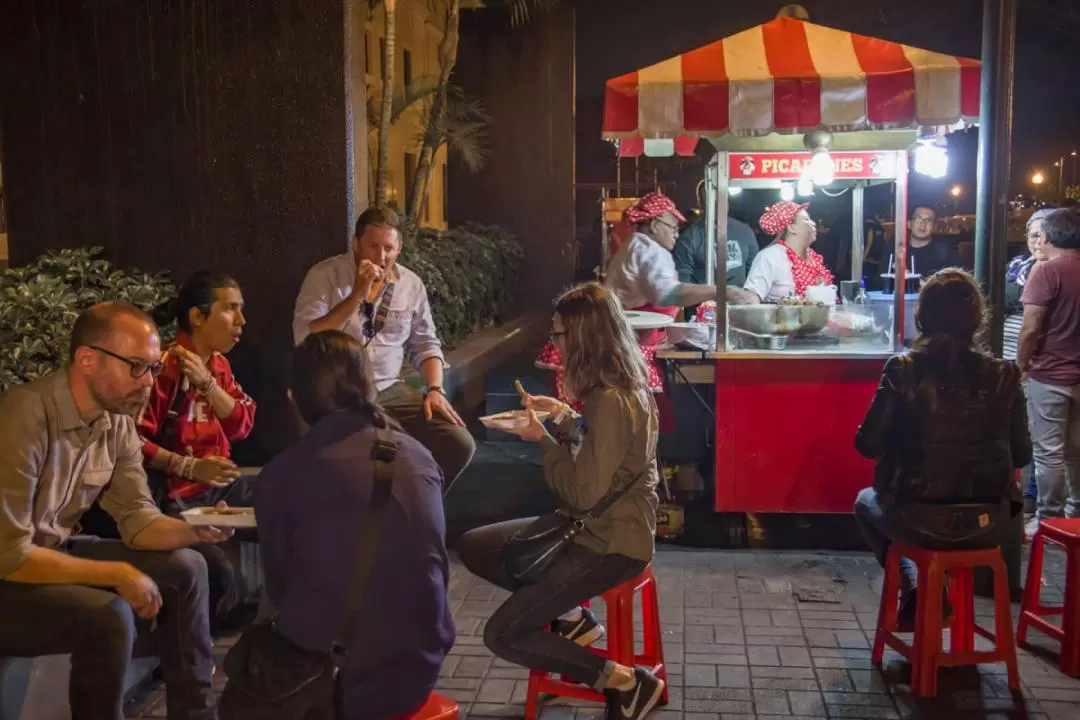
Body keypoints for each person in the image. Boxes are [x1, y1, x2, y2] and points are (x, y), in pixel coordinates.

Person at [0, 301, 230, 720]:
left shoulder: (116, 418)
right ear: (87, 360)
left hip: (51, 550)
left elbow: (138, 521)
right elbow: (10, 554)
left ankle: (196, 714)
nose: (149, 383)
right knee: (109, 616)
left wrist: (200, 527)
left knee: (188, 566)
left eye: (154, 368)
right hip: (9, 572)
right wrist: (117, 574)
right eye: (136, 367)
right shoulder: (26, 414)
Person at [460, 283, 665, 720]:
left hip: (609, 544)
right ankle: (571, 616)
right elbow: (606, 454)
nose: (553, 343)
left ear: (583, 338)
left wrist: (543, 441)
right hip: (594, 529)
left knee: (503, 634)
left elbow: (582, 492)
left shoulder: (610, 400)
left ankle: (625, 682)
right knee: (478, 544)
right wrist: (561, 415)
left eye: (558, 335)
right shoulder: (627, 385)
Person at [255, 330, 454, 719]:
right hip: (421, 665)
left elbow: (280, 590)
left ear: (294, 398)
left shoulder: (283, 474)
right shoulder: (418, 455)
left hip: (339, 684)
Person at [853, 269, 1031, 626]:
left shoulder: (903, 369)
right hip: (990, 520)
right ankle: (929, 592)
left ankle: (915, 586)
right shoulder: (1005, 375)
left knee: (863, 502)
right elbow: (1023, 455)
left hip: (914, 516)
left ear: (922, 317)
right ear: (978, 319)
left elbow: (867, 444)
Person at [292, 205, 475, 490]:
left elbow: (425, 342)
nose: (380, 257)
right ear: (356, 243)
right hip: (334, 393)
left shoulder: (410, 284)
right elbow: (305, 337)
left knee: (459, 443)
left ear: (399, 248)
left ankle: (416, 505)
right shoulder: (325, 275)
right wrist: (356, 295)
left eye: (388, 248)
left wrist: (435, 390)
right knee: (335, 464)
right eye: (372, 246)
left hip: (388, 388)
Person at [537, 192, 754, 410]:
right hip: (626, 343)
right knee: (629, 415)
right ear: (653, 224)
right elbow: (667, 295)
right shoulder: (649, 250)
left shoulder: (636, 244)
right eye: (672, 227)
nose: (676, 234)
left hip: (616, 339)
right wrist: (721, 291)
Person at [1018, 208, 1080, 525]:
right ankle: (1076, 515)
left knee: (1049, 452)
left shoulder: (1047, 271)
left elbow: (1031, 326)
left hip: (1050, 375)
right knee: (1075, 451)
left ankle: (1049, 519)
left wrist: (1021, 364)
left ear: (1047, 236)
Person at [1004, 210, 1052, 515]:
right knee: (1013, 427)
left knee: (1040, 438)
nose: (1038, 241)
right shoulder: (1018, 266)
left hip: (1038, 363)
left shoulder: (1059, 271)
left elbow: (1034, 323)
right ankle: (1013, 492)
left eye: (1043, 235)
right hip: (1006, 355)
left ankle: (1036, 501)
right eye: (1032, 235)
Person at [744, 201, 834, 302]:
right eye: (806, 219)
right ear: (791, 228)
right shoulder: (770, 256)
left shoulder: (813, 257)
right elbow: (752, 298)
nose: (813, 223)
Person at [672, 210, 760, 287]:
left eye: (720, 198)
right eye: (713, 199)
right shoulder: (689, 237)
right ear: (702, 203)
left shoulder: (744, 231)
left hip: (738, 302)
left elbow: (755, 271)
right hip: (701, 303)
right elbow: (683, 279)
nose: (717, 204)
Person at [897, 206, 961, 279]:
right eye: (918, 218)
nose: (923, 223)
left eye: (929, 220)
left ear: (934, 227)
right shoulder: (897, 251)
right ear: (909, 224)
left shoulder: (945, 252)